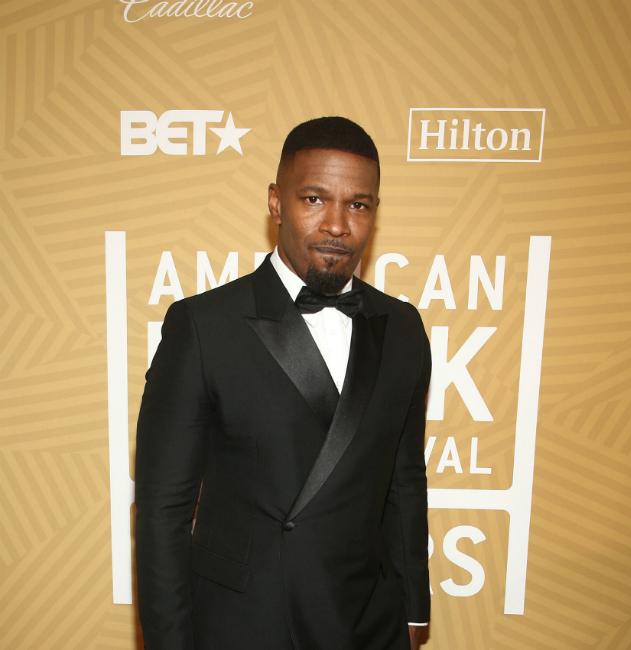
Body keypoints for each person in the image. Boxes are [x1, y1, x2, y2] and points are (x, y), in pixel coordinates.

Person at [135, 116, 432, 650]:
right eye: (314, 199)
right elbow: (163, 512)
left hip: (367, 622)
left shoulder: (403, 328)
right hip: (247, 622)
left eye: (358, 205)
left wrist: (413, 609)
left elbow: (404, 479)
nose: (337, 225)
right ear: (276, 203)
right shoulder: (204, 326)